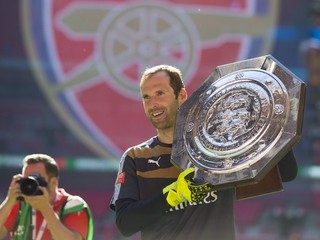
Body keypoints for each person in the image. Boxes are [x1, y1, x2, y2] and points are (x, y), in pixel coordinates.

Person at [110, 64, 298, 240]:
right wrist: (171, 196)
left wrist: (269, 121)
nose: (153, 104)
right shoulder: (136, 157)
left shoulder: (221, 146)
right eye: (146, 97)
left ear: (181, 95)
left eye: (160, 93)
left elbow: (287, 173)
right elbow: (125, 224)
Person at [0, 153, 94, 240]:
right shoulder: (20, 204)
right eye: (26, 180)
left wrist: (45, 209)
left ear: (53, 183)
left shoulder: (72, 205)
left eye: (36, 179)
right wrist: (9, 201)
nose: (30, 185)